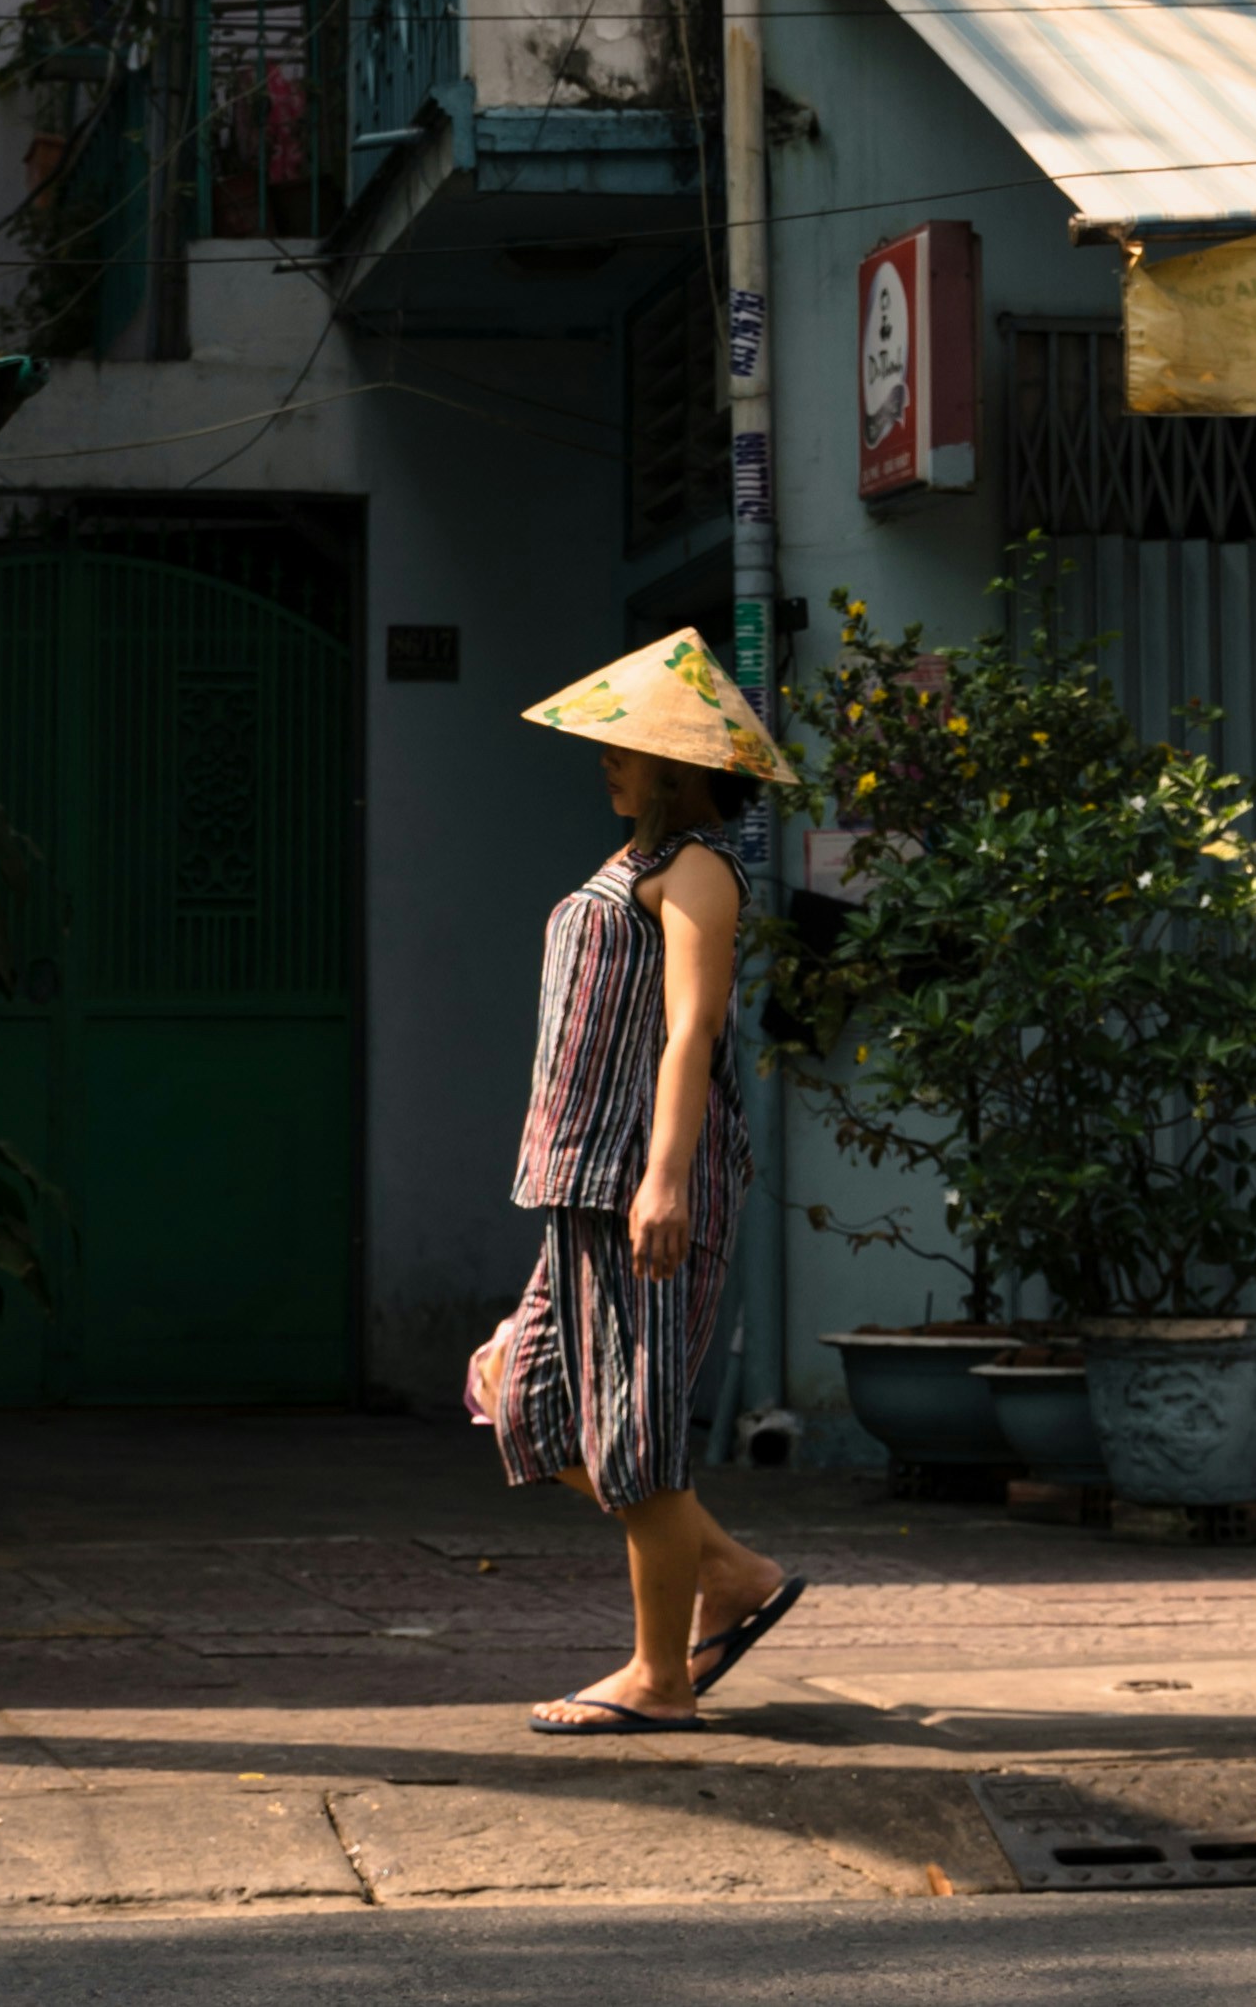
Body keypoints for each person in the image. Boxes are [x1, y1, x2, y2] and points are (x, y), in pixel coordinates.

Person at [487, 626, 807, 1735]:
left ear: (674, 764)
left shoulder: (697, 870)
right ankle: (726, 1570)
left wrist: (664, 1178)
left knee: (632, 1437)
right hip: (580, 1183)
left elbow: (691, 1029)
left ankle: (659, 1674)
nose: (605, 762)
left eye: (622, 746)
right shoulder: (625, 869)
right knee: (520, 1398)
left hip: (643, 1186)